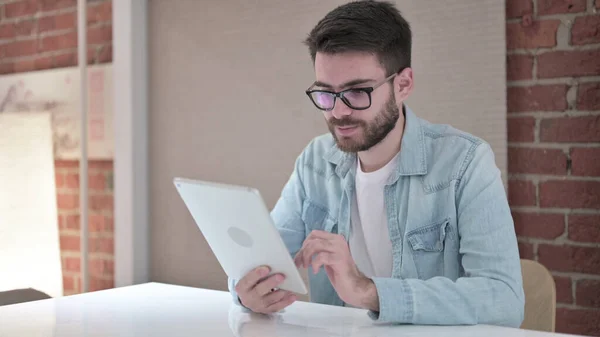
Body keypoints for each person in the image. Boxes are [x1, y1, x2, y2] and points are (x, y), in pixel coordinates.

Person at [228, 0, 525, 327]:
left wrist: (368, 291)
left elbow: (504, 299)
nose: (338, 112)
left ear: (403, 85)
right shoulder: (314, 161)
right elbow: (261, 262)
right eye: (326, 94)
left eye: (357, 92)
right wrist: (246, 292)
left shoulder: (465, 163)